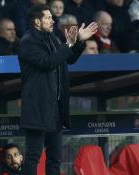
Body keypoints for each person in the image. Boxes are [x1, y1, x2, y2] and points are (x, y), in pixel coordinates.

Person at [18, 4, 98, 175]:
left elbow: (67, 60)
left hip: (55, 109)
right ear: (37, 22)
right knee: (33, 156)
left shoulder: (53, 39)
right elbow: (48, 62)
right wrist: (68, 44)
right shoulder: (27, 42)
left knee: (55, 158)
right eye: (48, 17)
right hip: (38, 108)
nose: (52, 20)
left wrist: (79, 41)